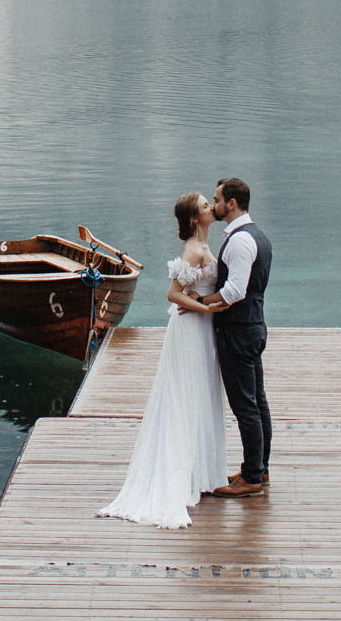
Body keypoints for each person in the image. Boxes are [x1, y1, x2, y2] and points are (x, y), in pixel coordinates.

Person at [96, 192, 227, 527]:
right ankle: (180, 478)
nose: (211, 207)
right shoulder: (194, 249)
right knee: (185, 398)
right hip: (190, 329)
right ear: (196, 218)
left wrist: (203, 303)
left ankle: (199, 473)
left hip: (202, 329)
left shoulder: (204, 245)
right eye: (204, 205)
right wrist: (208, 307)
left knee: (200, 396)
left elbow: (192, 290)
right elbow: (173, 295)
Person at [204, 176, 272, 497]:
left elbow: (235, 290)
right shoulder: (257, 235)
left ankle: (251, 478)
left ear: (231, 204)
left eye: (217, 200)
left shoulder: (242, 240)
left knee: (245, 405)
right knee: (257, 401)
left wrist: (199, 304)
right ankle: (259, 468)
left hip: (239, 331)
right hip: (253, 326)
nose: (214, 204)